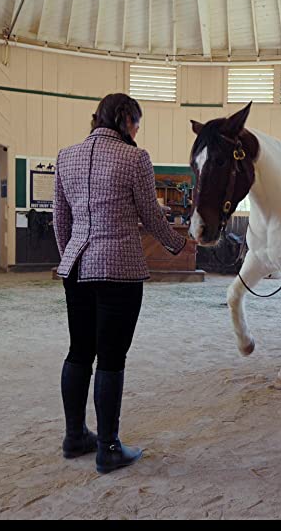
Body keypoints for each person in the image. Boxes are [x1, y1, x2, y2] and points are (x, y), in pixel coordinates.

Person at [53, 93, 189, 474]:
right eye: (137, 123)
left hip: (76, 268)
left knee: (79, 352)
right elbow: (150, 212)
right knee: (111, 357)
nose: (137, 131)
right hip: (119, 271)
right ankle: (109, 448)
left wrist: (71, 256)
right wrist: (177, 243)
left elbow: (59, 220)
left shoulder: (66, 156)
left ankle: (75, 436)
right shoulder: (135, 158)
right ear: (125, 118)